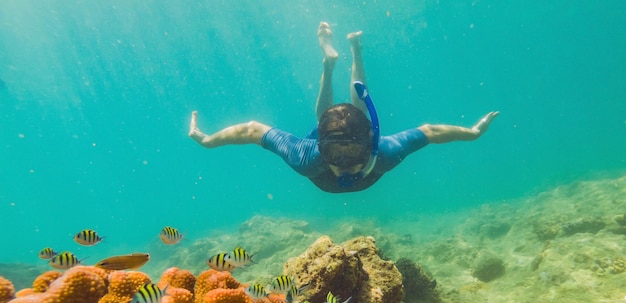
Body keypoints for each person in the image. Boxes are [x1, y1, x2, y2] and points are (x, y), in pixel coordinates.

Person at [189, 22, 499, 193]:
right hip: (338, 132)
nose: (346, 165)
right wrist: (207, 140)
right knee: (330, 115)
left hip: (355, 130)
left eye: (352, 153)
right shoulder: (314, 156)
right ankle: (334, 60)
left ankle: (346, 54)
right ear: (321, 149)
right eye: (336, 154)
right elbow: (252, 129)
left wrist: (473, 133)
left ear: (369, 145)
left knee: (350, 110)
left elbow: (253, 129)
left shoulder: (377, 154)